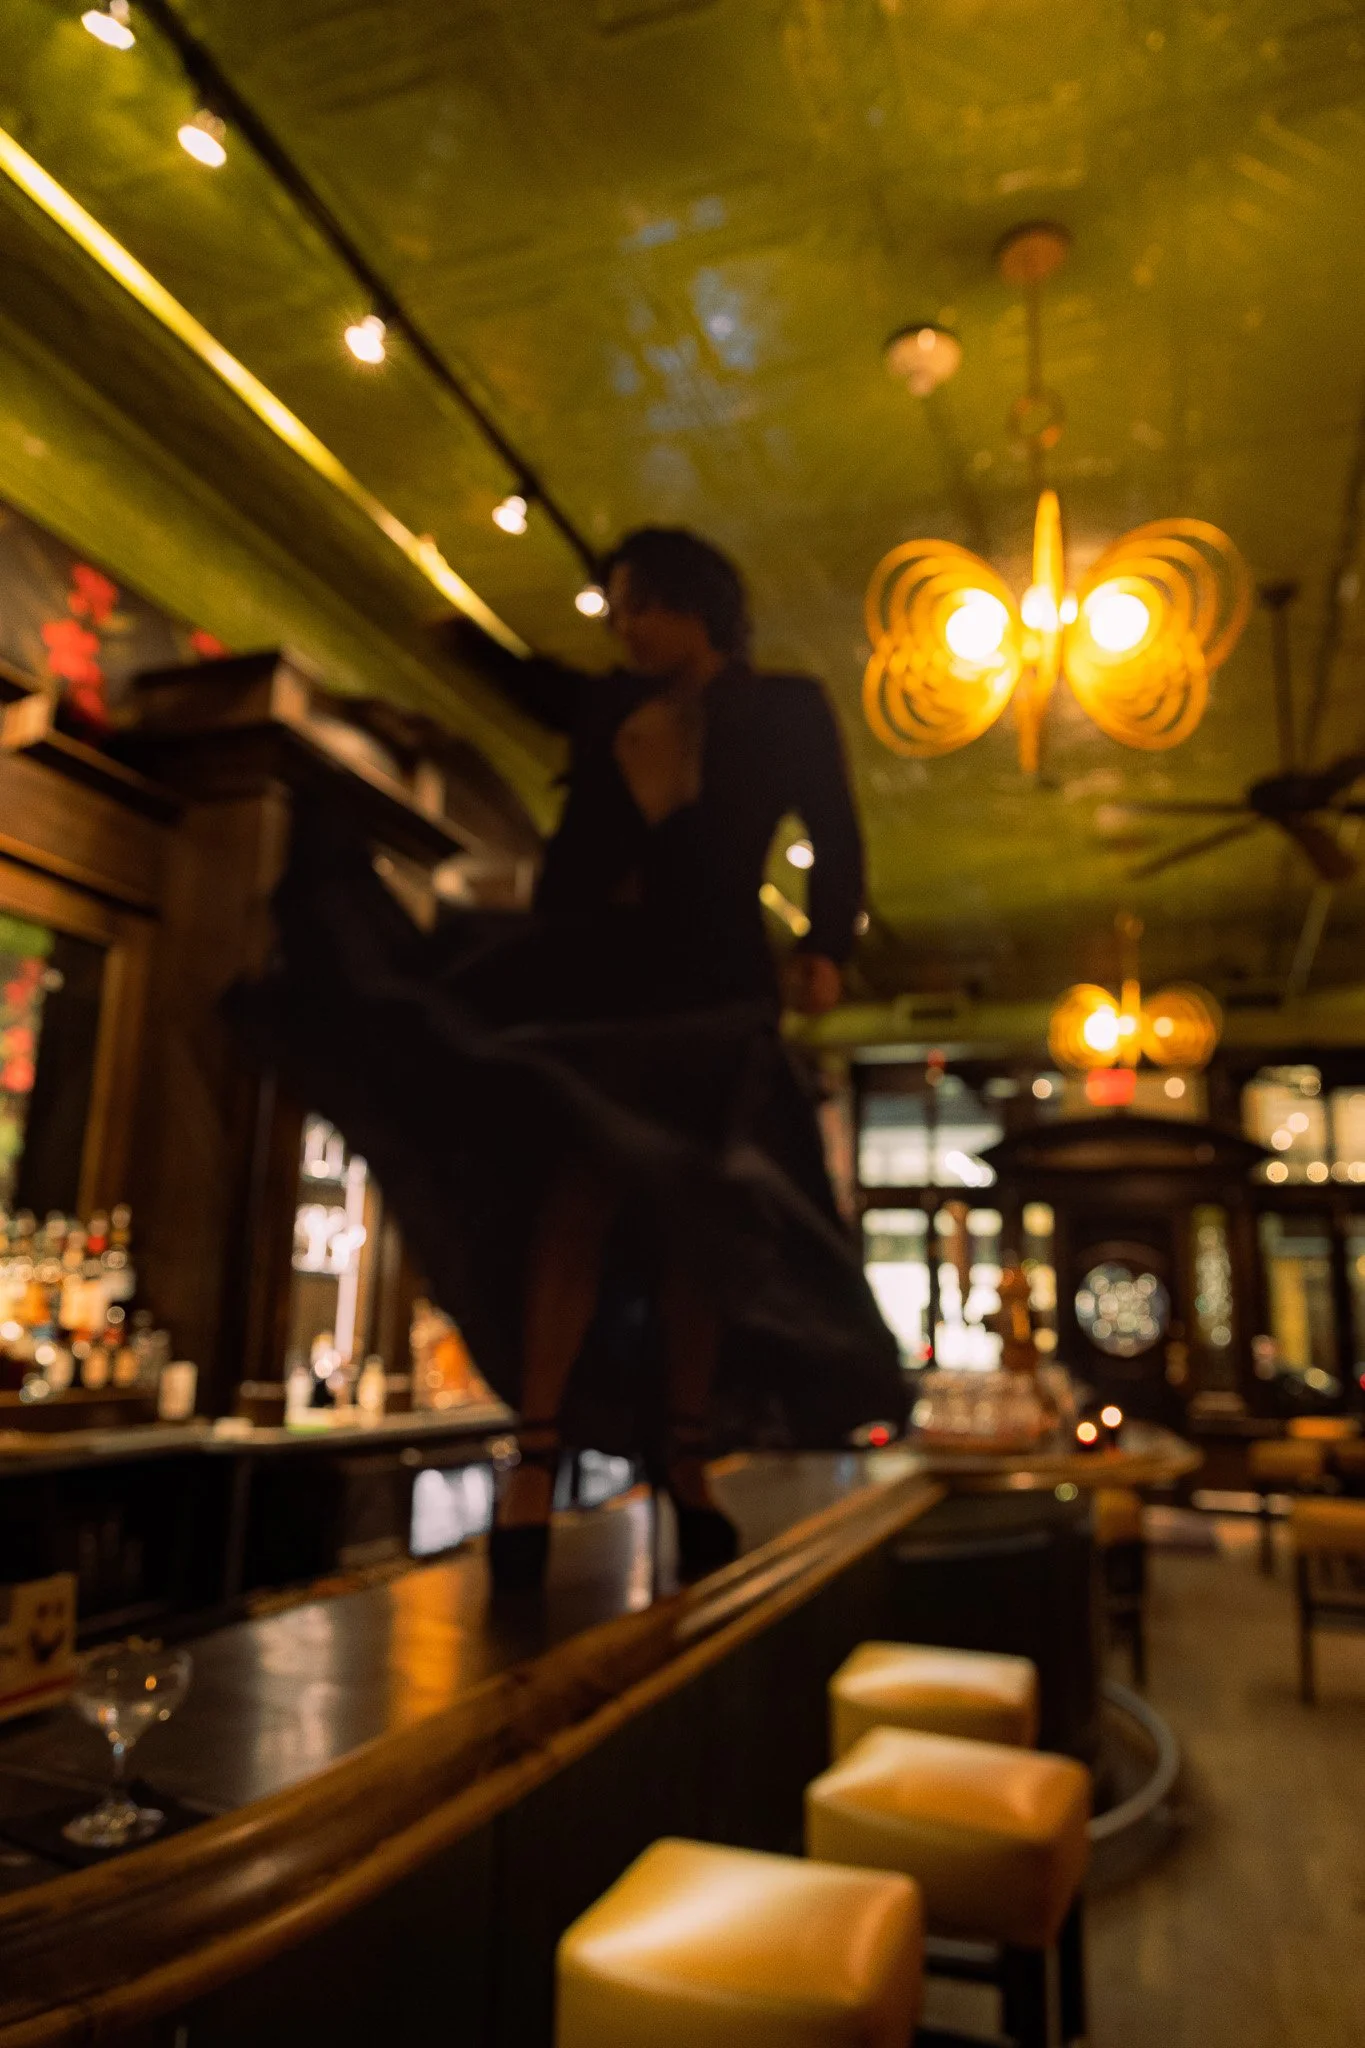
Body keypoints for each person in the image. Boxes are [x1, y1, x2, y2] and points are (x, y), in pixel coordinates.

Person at [234, 528, 904, 1590]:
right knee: (576, 1194)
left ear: (695, 602)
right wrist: (458, 636)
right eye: (617, 607)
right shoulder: (608, 702)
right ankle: (537, 1455)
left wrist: (825, 944)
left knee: (700, 1216)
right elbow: (536, 684)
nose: (624, 626)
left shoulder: (784, 706)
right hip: (596, 976)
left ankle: (685, 1454)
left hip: (713, 987)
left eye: (640, 605)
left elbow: (837, 827)